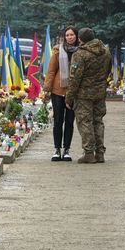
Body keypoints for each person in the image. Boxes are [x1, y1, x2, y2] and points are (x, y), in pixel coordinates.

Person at [66, 27, 112, 164]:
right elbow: (108, 70)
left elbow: (75, 78)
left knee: (85, 122)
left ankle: (88, 153)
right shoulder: (105, 52)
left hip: (84, 95)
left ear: (80, 39)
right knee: (98, 121)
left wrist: (69, 97)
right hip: (100, 92)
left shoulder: (80, 54)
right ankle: (100, 153)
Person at [43, 26, 79, 161]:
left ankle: (67, 149)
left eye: (72, 35)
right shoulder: (58, 51)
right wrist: (47, 88)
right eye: (67, 35)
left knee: (70, 121)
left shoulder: (81, 51)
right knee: (58, 120)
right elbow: (51, 71)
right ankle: (57, 149)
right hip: (58, 91)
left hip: (74, 92)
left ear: (76, 36)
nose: (70, 37)